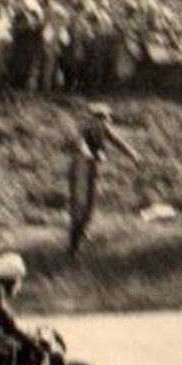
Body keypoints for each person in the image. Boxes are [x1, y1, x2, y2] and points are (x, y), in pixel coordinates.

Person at [67, 104, 142, 255]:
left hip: (92, 167)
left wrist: (133, 154)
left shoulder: (104, 129)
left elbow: (119, 142)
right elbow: (80, 143)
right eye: (102, 118)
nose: (105, 122)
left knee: (91, 203)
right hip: (80, 165)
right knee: (80, 203)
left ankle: (82, 232)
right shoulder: (85, 127)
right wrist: (90, 154)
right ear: (95, 118)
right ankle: (74, 244)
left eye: (106, 119)